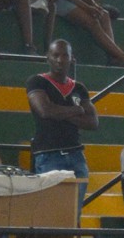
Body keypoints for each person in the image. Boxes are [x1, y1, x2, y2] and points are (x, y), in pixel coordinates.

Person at [26, 38, 98, 215]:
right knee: (51, 213)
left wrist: (61, 113)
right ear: (48, 57)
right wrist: (77, 110)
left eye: (65, 55)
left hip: (76, 153)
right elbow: (45, 111)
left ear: (72, 59)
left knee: (74, 214)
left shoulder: (79, 88)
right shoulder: (37, 81)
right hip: (48, 153)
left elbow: (93, 122)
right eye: (55, 55)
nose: (60, 60)